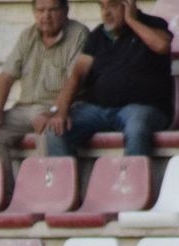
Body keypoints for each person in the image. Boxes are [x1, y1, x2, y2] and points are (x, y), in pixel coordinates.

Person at [0, 0, 90, 194]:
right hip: (24, 108)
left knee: (48, 131)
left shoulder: (79, 34)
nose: (45, 16)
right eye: (40, 10)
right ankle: (2, 195)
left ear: (65, 10)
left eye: (52, 10)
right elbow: (6, 76)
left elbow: (75, 79)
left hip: (58, 106)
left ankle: (45, 193)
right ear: (33, 12)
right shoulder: (28, 35)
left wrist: (54, 112)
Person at [46, 0, 174, 158]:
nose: (106, 13)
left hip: (142, 108)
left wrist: (132, 20)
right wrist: (62, 110)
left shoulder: (153, 24)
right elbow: (77, 74)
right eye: (102, 6)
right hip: (98, 110)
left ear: (129, 5)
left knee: (136, 128)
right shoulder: (98, 36)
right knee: (56, 130)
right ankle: (65, 181)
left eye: (112, 5)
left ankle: (132, 180)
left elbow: (161, 45)